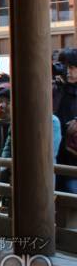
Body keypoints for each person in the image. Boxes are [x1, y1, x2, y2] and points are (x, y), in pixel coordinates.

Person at [54, 48, 77, 193]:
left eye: (72, 67)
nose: (67, 71)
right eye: (65, 67)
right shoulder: (56, 89)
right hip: (56, 153)